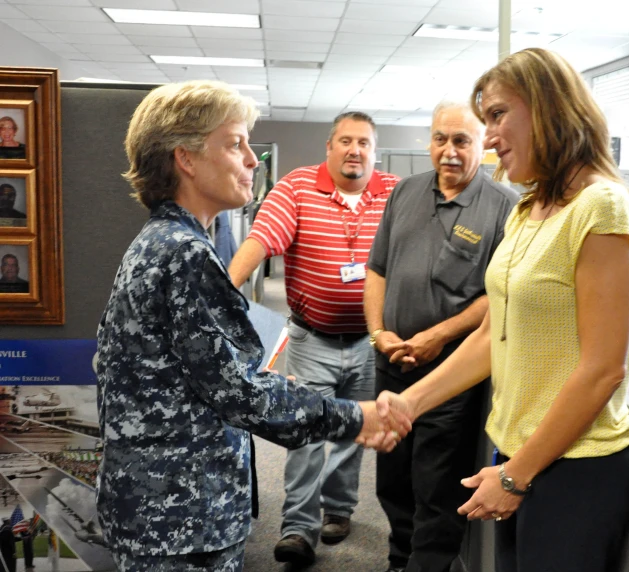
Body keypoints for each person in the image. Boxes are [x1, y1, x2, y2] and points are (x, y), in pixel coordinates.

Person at [96, 81, 409, 572]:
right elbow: (241, 394)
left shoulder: (161, 240)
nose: (252, 160)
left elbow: (193, 378)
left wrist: (251, 382)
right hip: (182, 516)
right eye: (235, 143)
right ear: (187, 159)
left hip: (158, 505)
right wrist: (359, 418)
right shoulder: (185, 254)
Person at [373, 47, 629, 572]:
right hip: (520, 454)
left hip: (575, 467)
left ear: (547, 108)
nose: (490, 137)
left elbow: (601, 370)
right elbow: (492, 335)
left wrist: (516, 475)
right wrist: (412, 403)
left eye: (497, 115)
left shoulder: (602, 206)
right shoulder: (528, 209)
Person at [228, 111, 400, 566]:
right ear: (329, 147)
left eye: (364, 142)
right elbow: (263, 238)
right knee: (303, 431)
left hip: (369, 340)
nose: (354, 150)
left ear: (373, 152)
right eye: (345, 141)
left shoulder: (394, 193)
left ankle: (339, 511)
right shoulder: (298, 187)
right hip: (312, 339)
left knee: (350, 430)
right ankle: (298, 528)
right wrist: (224, 290)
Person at [364, 101, 518, 572]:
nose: (448, 151)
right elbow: (377, 270)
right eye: (440, 139)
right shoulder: (404, 192)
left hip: (451, 371)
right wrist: (379, 333)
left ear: (482, 148)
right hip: (391, 365)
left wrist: (436, 336)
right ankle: (399, 559)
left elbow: (496, 298)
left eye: (461, 141)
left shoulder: (503, 209)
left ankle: (427, 565)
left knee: (436, 484)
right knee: (391, 476)